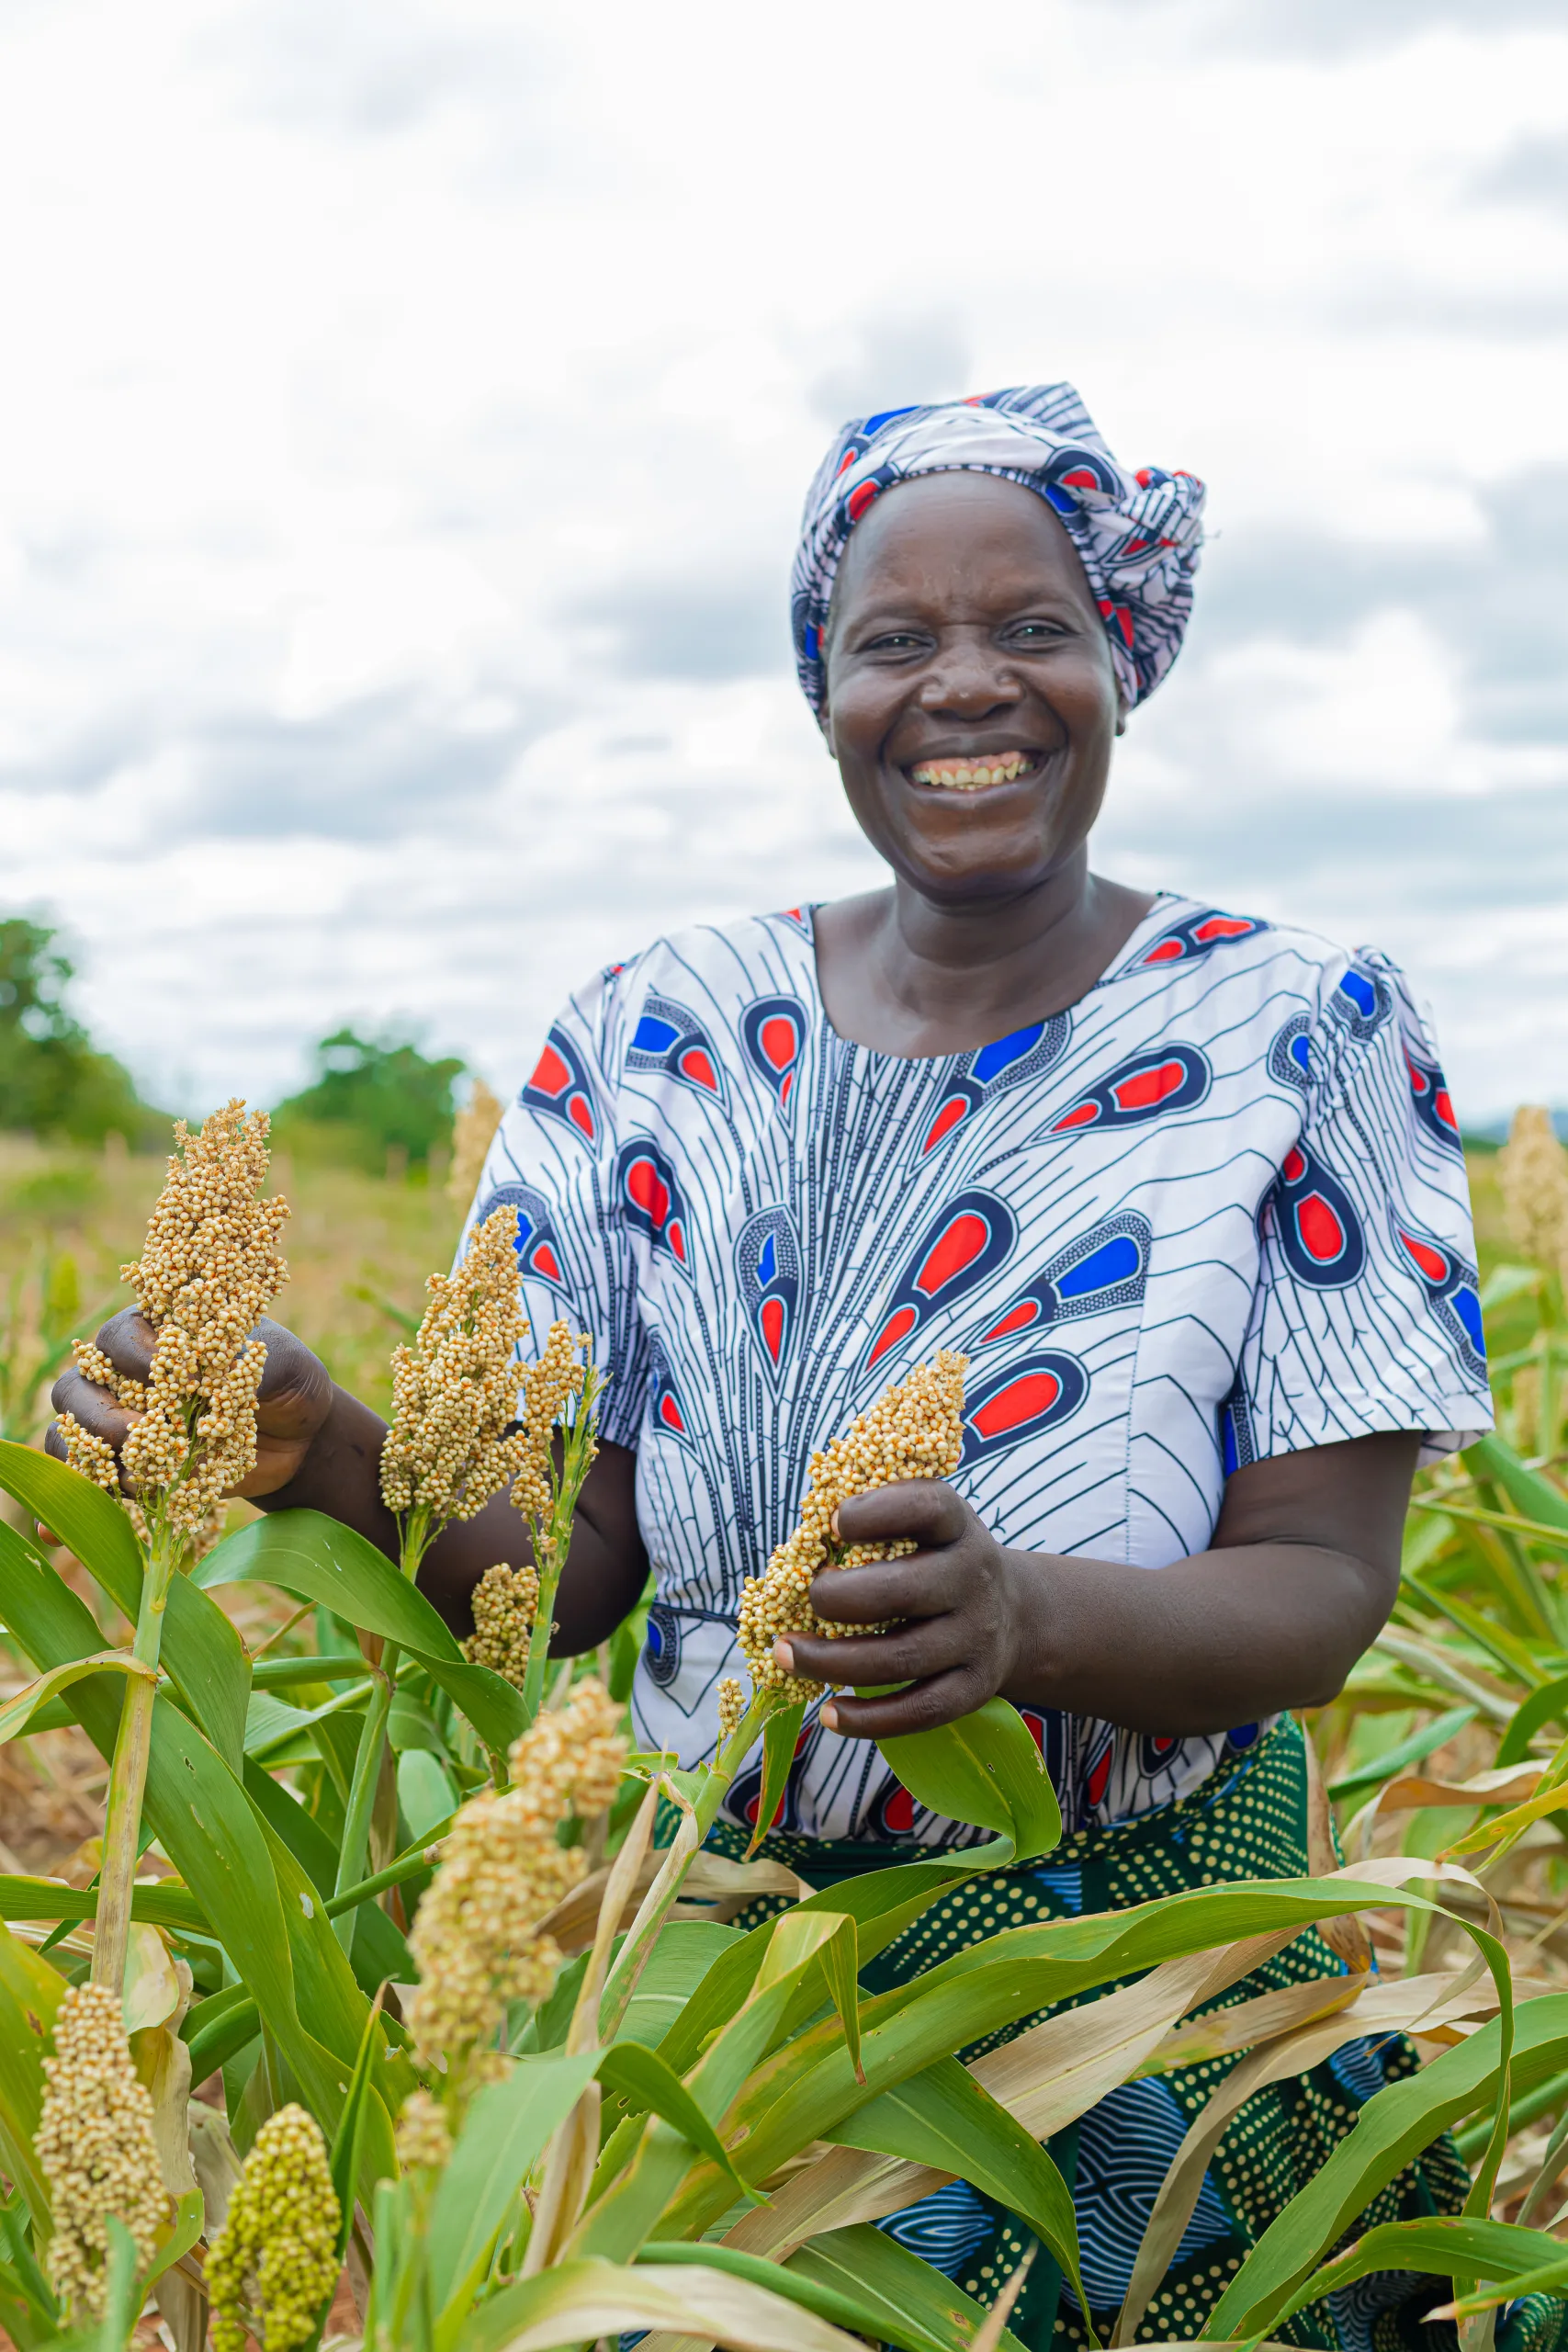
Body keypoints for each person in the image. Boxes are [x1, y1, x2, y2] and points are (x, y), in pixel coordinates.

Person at [56, 385, 1507, 2350]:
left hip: (1120, 1987)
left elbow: (1325, 1590)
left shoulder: (1301, 1022)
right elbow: (564, 1569)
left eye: (1033, 628)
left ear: (1121, 662)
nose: (964, 686)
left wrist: (1027, 1619)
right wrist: (324, 1450)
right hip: (708, 1970)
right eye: (893, 640)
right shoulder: (650, 1031)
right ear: (819, 684)